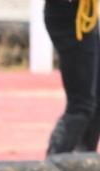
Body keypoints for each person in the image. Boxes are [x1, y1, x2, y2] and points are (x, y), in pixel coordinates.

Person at [44, 0, 100, 154]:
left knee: (95, 97)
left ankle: (83, 159)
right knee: (81, 104)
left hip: (85, 15)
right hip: (69, 17)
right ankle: (57, 161)